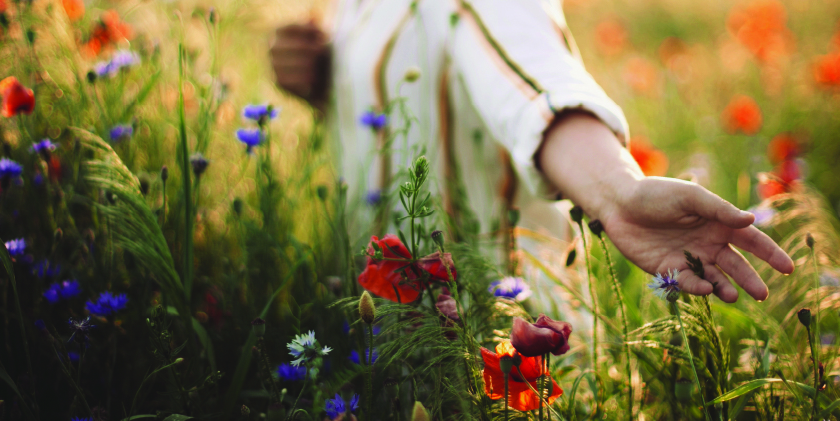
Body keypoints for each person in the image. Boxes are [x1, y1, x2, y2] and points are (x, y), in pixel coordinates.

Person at [269, 0, 795, 303]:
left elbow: (534, 86)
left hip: (502, 348)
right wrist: (320, 79)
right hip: (383, 335)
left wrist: (616, 192)